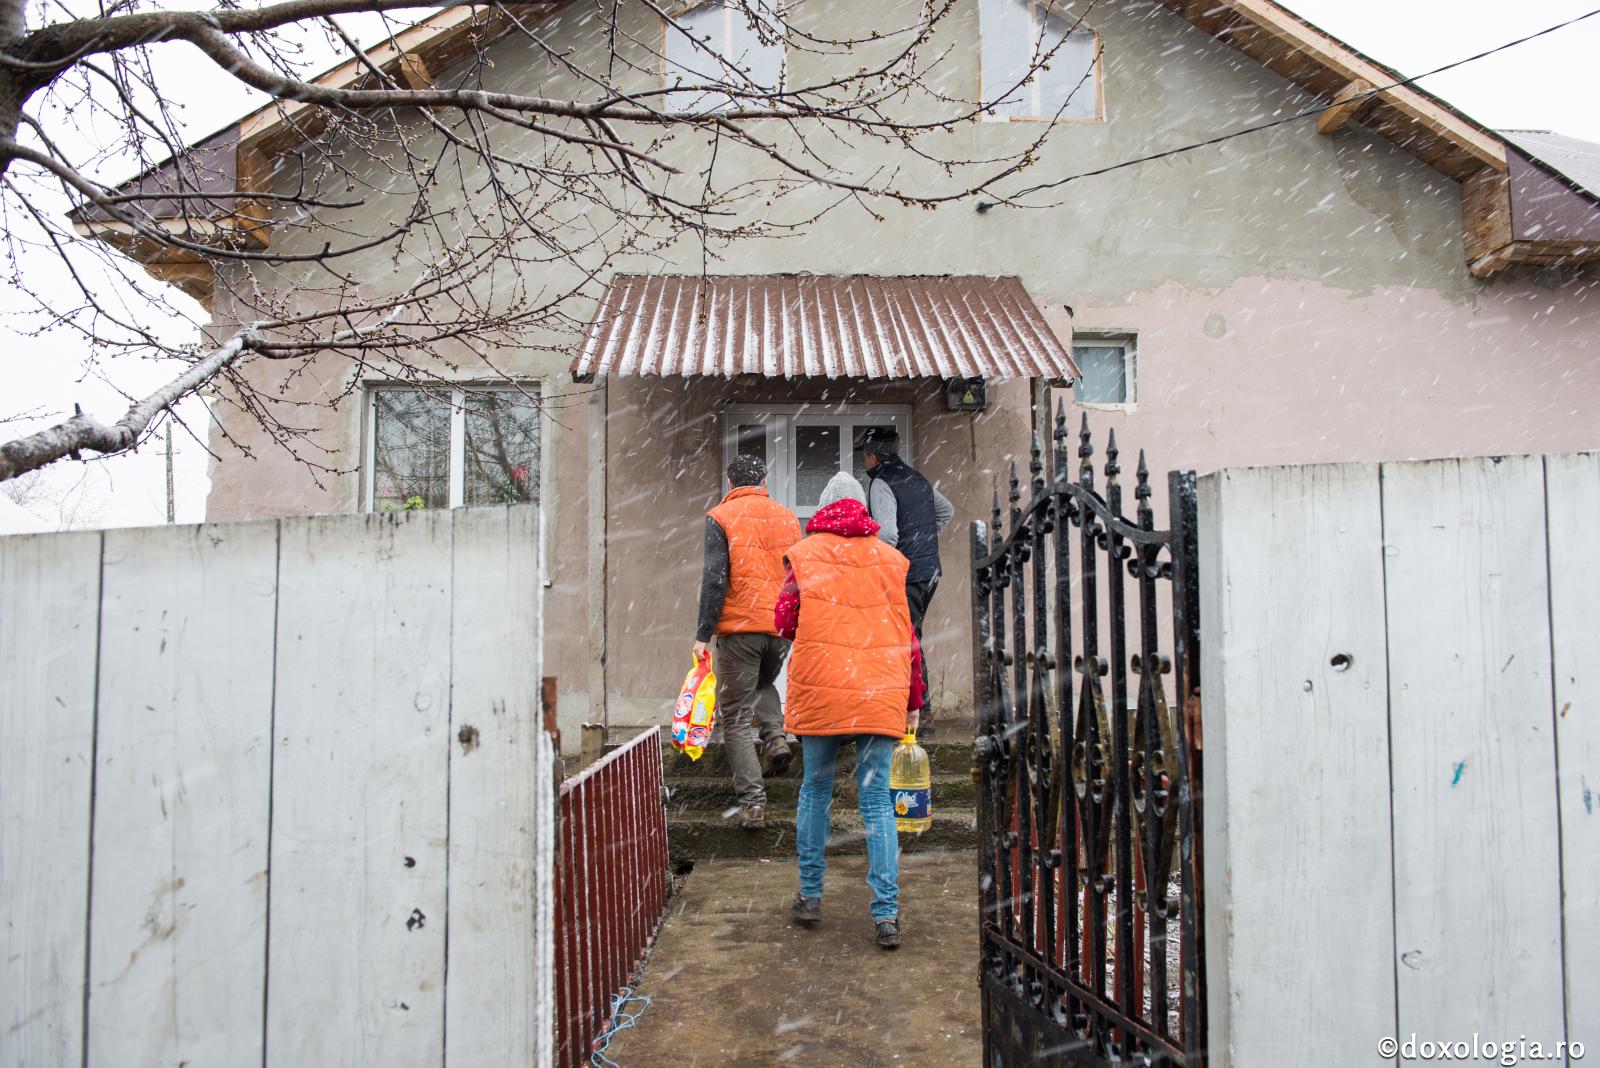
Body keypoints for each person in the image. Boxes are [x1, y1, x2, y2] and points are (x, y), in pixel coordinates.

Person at [775, 471, 924, 950]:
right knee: (877, 798)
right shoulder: (892, 561)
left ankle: (811, 894)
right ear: (864, 510)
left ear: (822, 508)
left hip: (823, 688)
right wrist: (914, 699)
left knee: (815, 788)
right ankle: (886, 915)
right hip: (878, 690)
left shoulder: (804, 554)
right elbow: (909, 638)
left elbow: (783, 620)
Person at [693, 454, 803, 830]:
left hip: (740, 629)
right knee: (762, 684)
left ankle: (753, 803)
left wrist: (702, 634)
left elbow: (714, 578)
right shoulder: (787, 518)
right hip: (778, 628)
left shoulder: (720, 517)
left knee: (736, 717)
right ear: (763, 480)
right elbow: (797, 573)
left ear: (730, 482)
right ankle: (775, 738)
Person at [854, 427, 953, 729]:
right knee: (912, 636)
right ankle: (915, 709)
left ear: (872, 456)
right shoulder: (917, 478)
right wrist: (923, 540)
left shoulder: (882, 482)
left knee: (905, 639)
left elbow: (888, 535)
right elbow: (947, 511)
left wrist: (888, 559)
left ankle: (918, 714)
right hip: (929, 572)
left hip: (906, 573)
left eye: (864, 455)